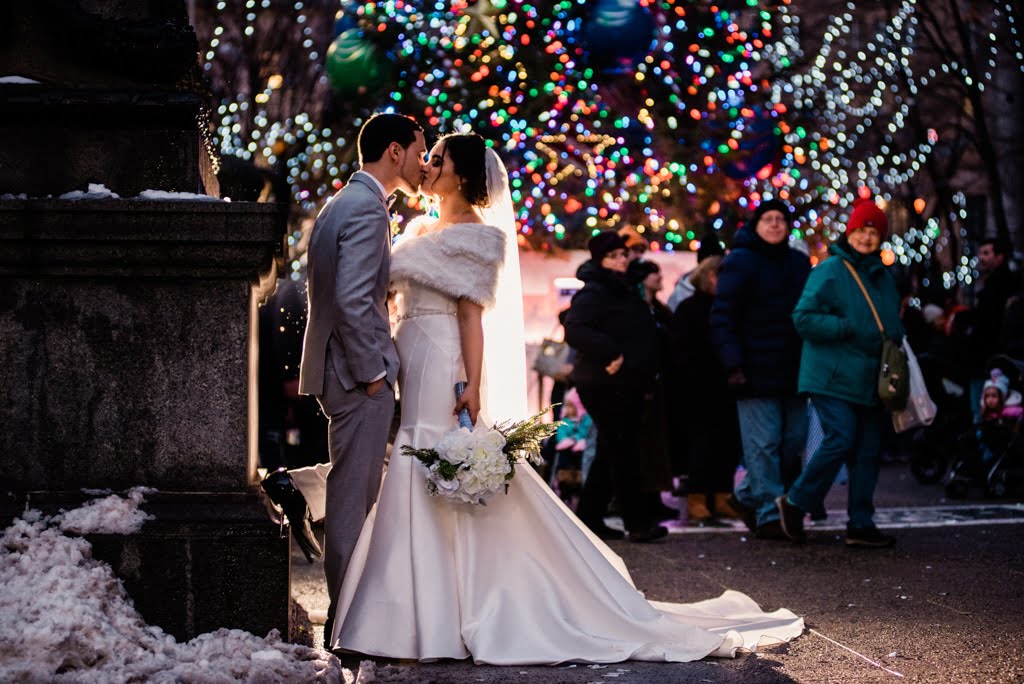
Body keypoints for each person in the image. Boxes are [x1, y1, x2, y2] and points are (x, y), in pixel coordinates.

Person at [305, 133, 803, 662]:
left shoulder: (475, 235)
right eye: (427, 156)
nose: (427, 165)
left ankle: (435, 606)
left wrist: (472, 382)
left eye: (438, 158)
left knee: (426, 454)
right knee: (417, 461)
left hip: (442, 358)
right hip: (413, 352)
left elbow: (472, 318)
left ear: (463, 176)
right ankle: (419, 601)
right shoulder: (420, 228)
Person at [285, 113, 427, 633]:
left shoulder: (342, 202)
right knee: (353, 499)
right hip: (354, 376)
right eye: (419, 150)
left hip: (337, 370)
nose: (423, 161)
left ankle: (349, 613)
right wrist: (372, 372)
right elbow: (350, 299)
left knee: (351, 489)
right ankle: (346, 618)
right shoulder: (367, 209)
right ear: (395, 152)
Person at [776, 197, 904, 548]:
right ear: (849, 232)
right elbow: (803, 317)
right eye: (862, 229)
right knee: (841, 438)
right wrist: (844, 327)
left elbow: (891, 321)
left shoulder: (883, 276)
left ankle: (860, 523)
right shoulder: (830, 270)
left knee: (867, 450)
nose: (867, 237)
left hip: (870, 378)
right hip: (831, 375)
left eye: (874, 231)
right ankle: (795, 501)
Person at [710, 200, 811, 539]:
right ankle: (768, 514)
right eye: (768, 219)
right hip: (753, 368)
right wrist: (733, 363)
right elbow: (723, 316)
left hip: (794, 366)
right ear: (756, 225)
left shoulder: (799, 262)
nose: (775, 224)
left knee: (793, 440)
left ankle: (744, 496)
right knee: (763, 444)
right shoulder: (739, 261)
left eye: (781, 218)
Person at [564, 233, 669, 542]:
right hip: (603, 382)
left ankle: (590, 517)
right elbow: (575, 327)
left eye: (623, 254)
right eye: (614, 255)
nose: (622, 259)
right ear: (600, 259)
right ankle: (636, 522)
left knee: (612, 450)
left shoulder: (622, 288)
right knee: (622, 450)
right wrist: (611, 352)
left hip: (625, 381)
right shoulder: (597, 290)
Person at [670, 256, 743, 524]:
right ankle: (698, 498)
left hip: (726, 387)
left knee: (728, 444)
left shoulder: (730, 308)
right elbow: (680, 352)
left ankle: (723, 496)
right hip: (698, 389)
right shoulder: (689, 309)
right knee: (702, 446)